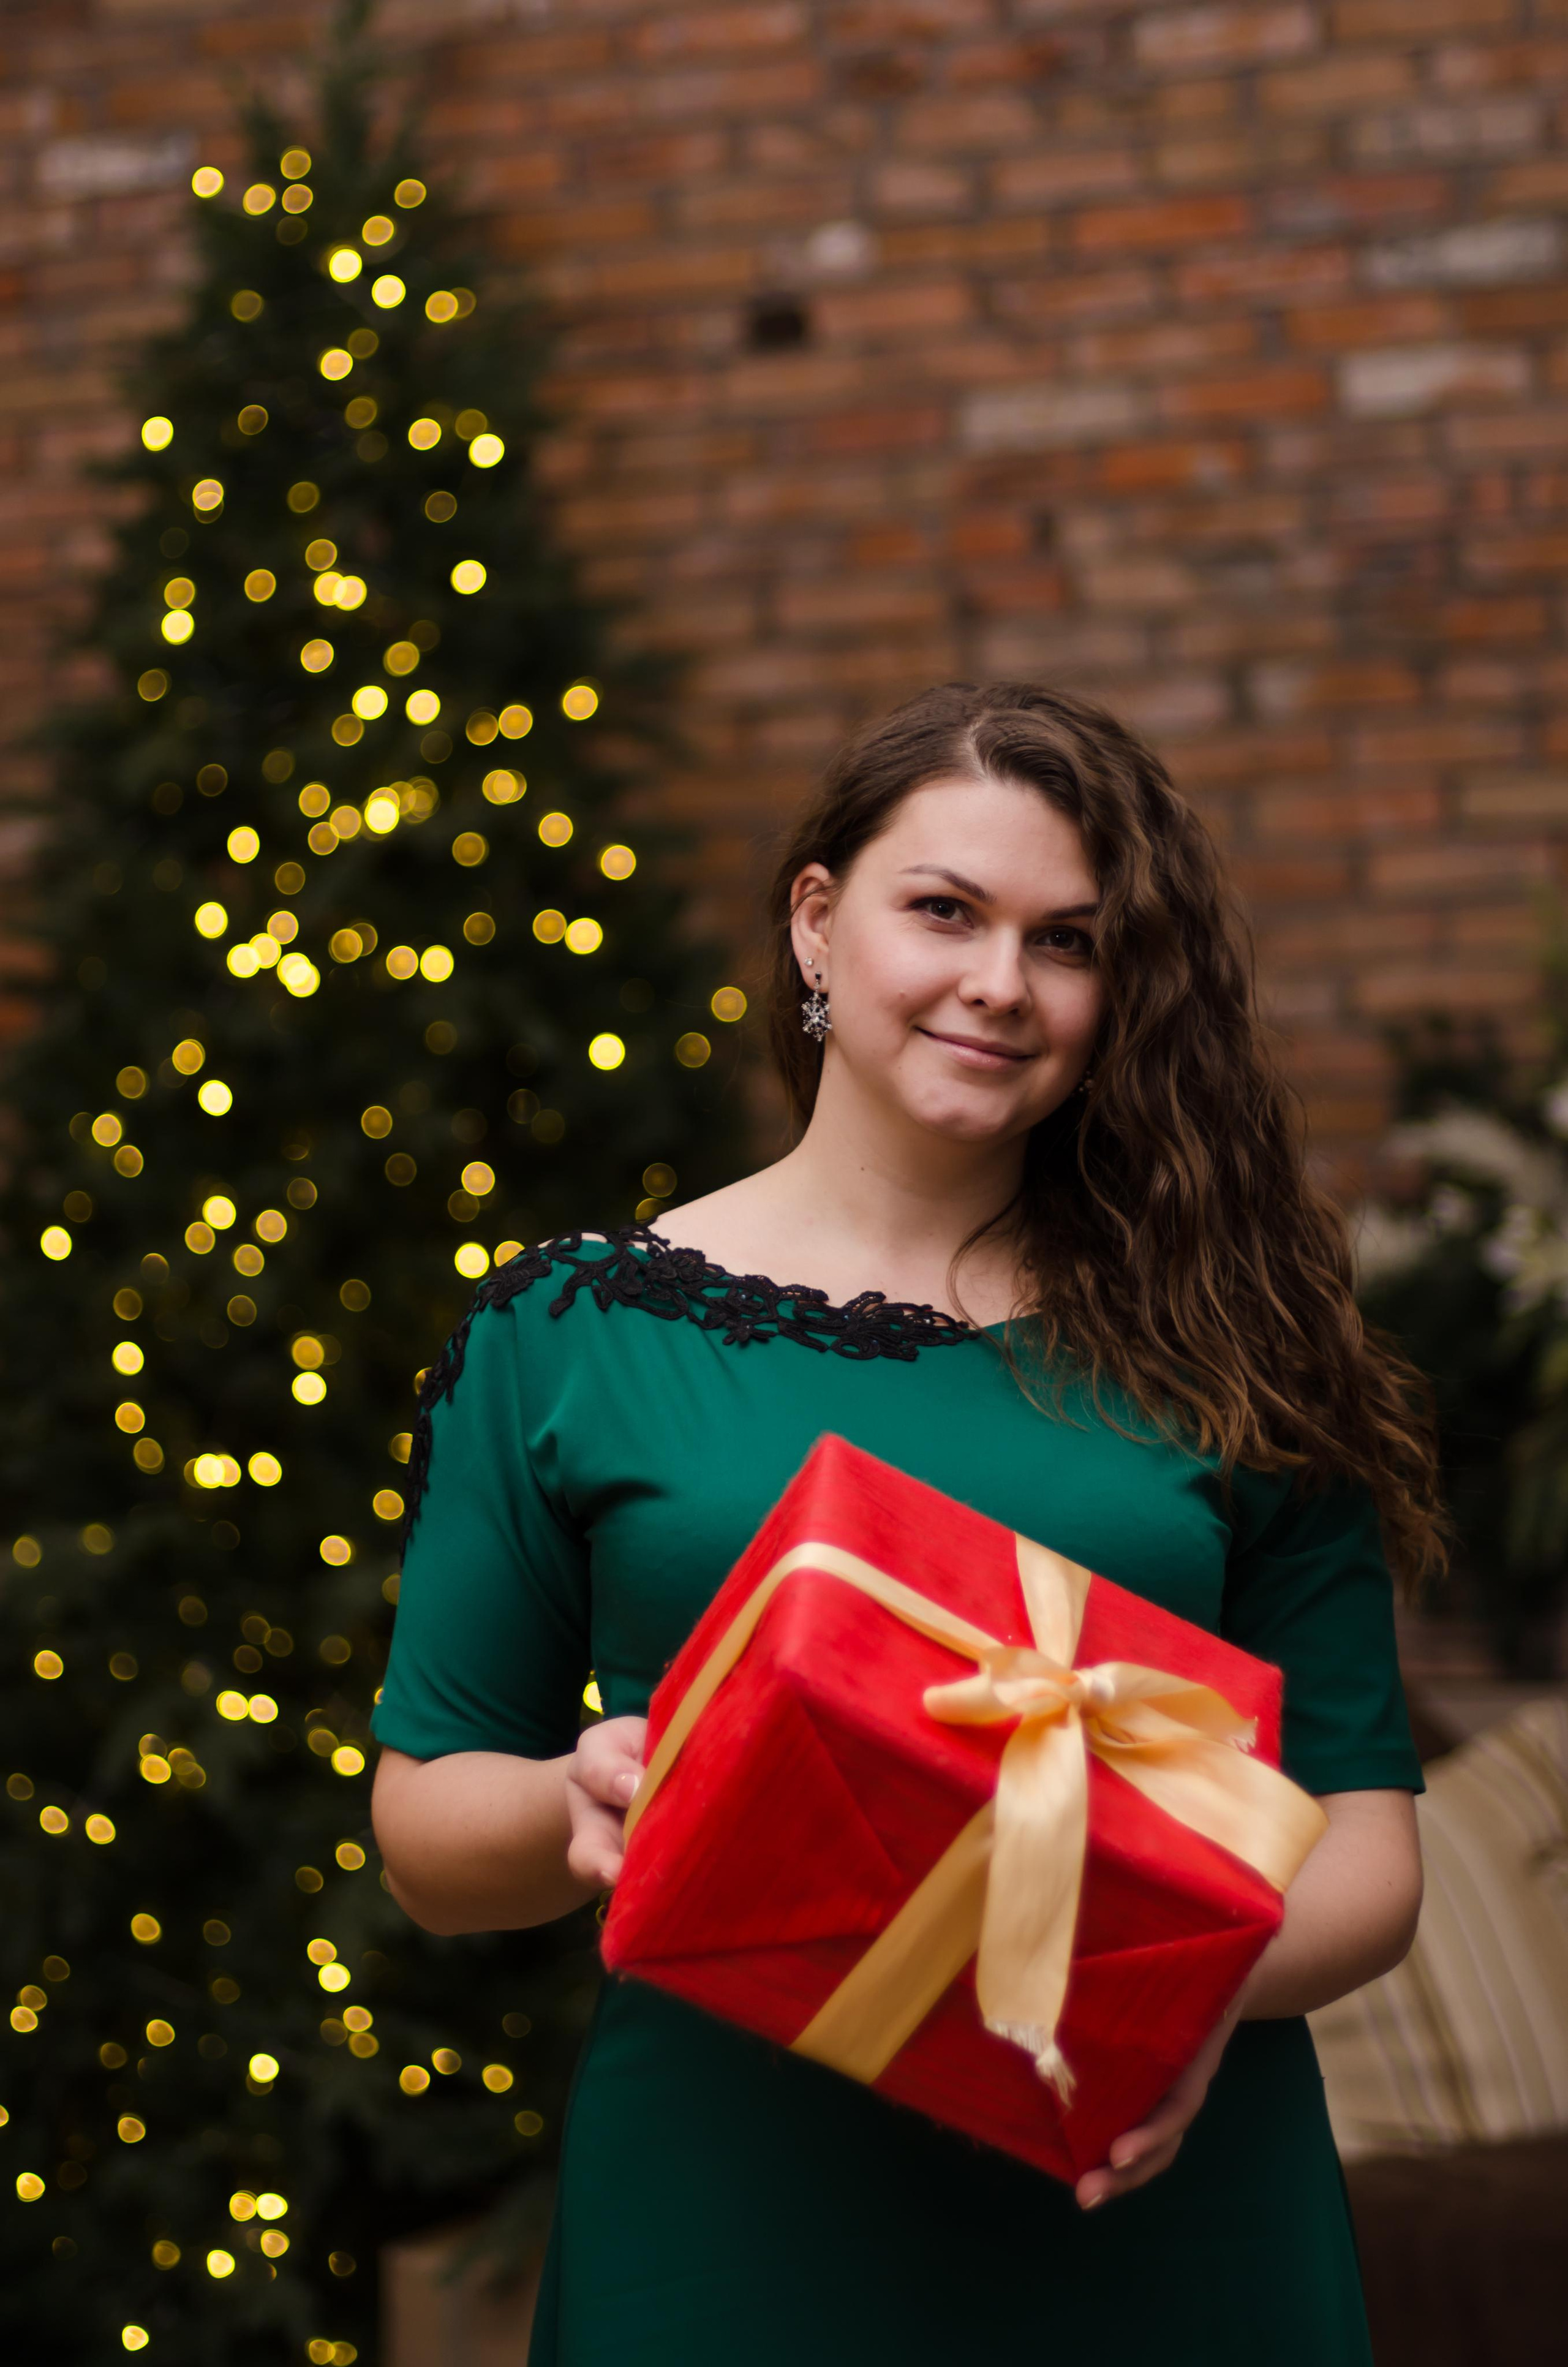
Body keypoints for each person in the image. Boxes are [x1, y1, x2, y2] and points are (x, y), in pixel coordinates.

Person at [371, 682, 1439, 2366]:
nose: (998, 984)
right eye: (943, 909)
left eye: (1068, 942)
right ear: (817, 922)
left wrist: (1180, 2003)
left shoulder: (1239, 1343)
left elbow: (1366, 1843)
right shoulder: (566, 1335)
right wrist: (574, 1802)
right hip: (734, 2221)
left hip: (1157, 2210)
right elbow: (429, 1823)